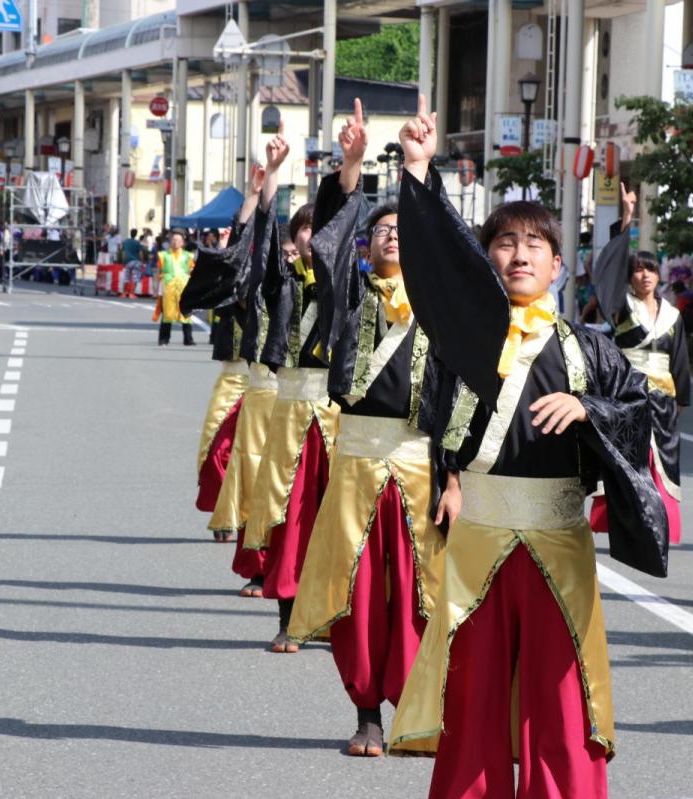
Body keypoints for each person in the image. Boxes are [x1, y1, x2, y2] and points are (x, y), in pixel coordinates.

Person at [386, 95, 667, 799]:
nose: (518, 255)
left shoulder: (589, 348)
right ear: (487, 260)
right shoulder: (464, 333)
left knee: (559, 695)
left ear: (556, 263)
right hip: (479, 532)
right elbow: (436, 271)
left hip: (557, 538)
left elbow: (649, 413)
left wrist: (591, 408)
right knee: (474, 693)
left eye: (532, 245)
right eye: (503, 244)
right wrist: (418, 172)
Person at [288, 99, 446, 758]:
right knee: (359, 598)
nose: (391, 235)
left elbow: (447, 241)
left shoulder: (439, 300)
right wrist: (351, 171)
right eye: (381, 229)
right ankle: (367, 715)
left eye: (401, 229)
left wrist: (419, 166)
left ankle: (418, 709)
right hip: (357, 464)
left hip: (418, 464)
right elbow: (327, 240)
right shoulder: (348, 296)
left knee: (418, 597)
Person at [242, 124, 337, 654]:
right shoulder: (282, 282)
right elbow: (261, 250)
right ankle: (287, 616)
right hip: (291, 407)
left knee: (338, 522)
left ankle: (328, 613)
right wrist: (272, 180)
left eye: (320, 230)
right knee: (288, 512)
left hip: (343, 420)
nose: (310, 236)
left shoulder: (355, 287)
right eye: (303, 229)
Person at [587, 184, 690, 544]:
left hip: (662, 399)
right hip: (629, 392)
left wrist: (681, 402)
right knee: (627, 458)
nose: (645, 275)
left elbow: (679, 360)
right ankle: (622, 521)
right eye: (638, 270)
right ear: (630, 276)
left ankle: (657, 523)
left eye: (651, 269)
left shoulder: (673, 314)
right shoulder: (620, 306)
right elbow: (607, 275)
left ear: (660, 275)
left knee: (661, 462)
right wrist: (626, 221)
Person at [181, 175, 275, 525]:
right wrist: (251, 196)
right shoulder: (232, 279)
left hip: (275, 382)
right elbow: (238, 244)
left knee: (263, 457)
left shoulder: (279, 282)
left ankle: (249, 519)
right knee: (213, 447)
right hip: (236, 375)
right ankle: (224, 513)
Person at [202, 164, 277, 597]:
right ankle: (227, 521)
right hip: (242, 379)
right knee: (218, 451)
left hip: (301, 400)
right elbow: (238, 252)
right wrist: (253, 196)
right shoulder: (240, 284)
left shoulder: (300, 285)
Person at [158, 230, 196, 346]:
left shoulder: (188, 256)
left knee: (186, 313)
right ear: (170, 241)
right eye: (173, 240)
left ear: (182, 242)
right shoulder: (163, 255)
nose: (175, 242)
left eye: (178, 240)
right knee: (167, 314)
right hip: (169, 287)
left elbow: (193, 271)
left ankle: (188, 339)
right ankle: (164, 339)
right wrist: (157, 289)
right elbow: (159, 272)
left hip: (183, 287)